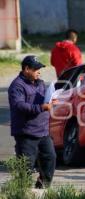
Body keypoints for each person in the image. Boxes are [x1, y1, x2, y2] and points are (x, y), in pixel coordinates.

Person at [8, 55, 56, 188]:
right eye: (36, 69)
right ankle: (21, 191)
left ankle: (42, 188)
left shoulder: (40, 83)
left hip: (43, 131)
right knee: (26, 166)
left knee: (50, 159)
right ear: (26, 69)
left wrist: (51, 101)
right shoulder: (17, 86)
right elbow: (19, 106)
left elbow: (43, 100)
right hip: (26, 133)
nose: (39, 72)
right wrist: (41, 107)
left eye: (40, 68)